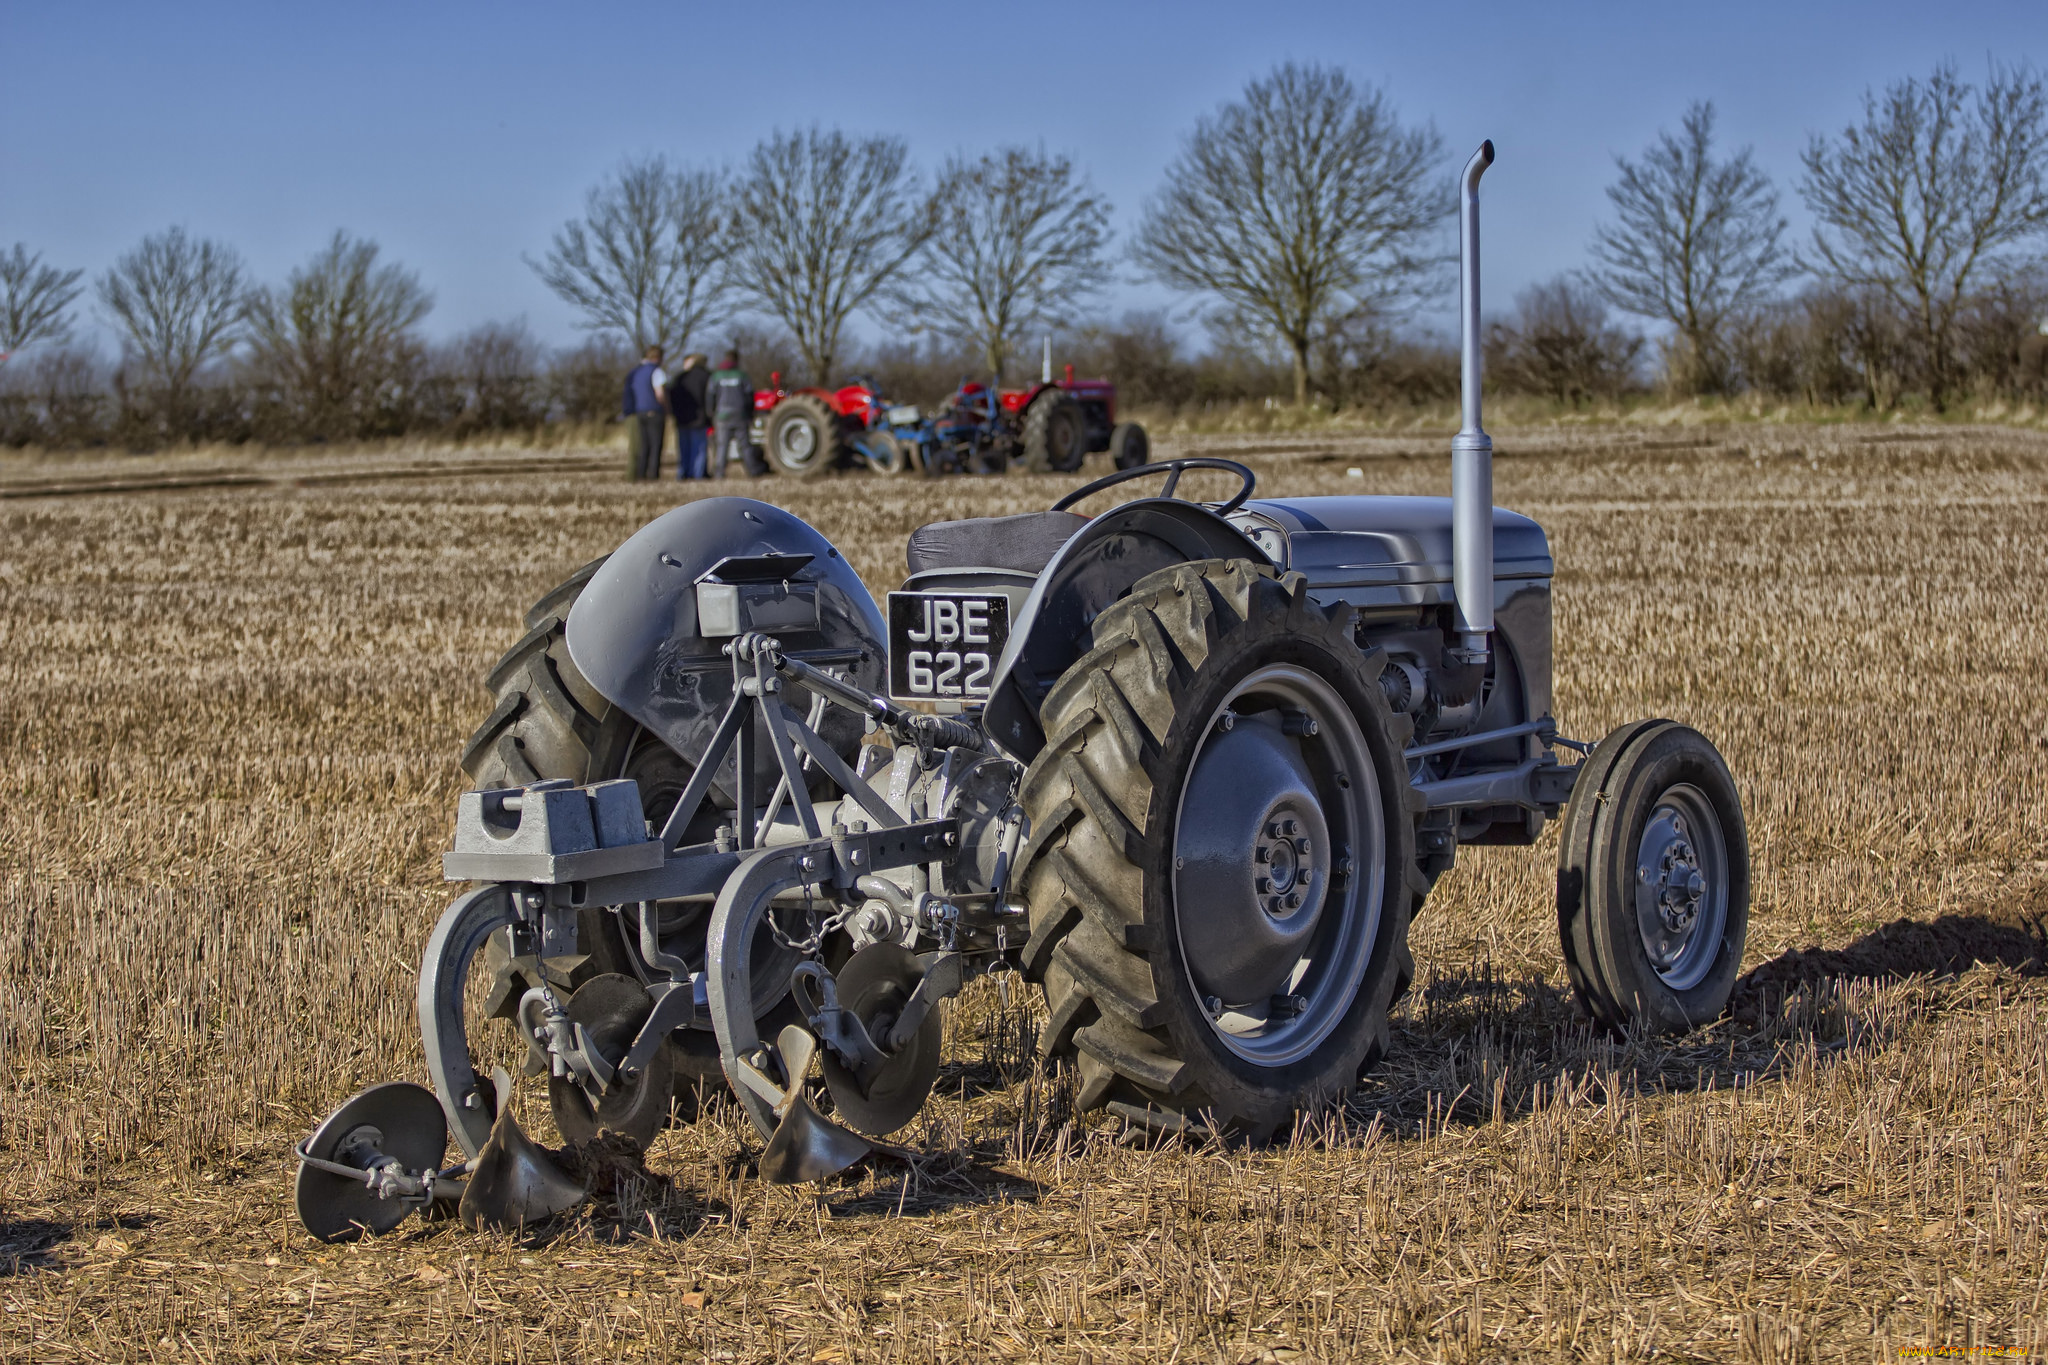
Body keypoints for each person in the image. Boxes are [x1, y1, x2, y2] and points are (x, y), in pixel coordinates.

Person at [620, 344, 668, 479]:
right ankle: (653, 475)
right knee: (655, 445)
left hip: (640, 412)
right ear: (659, 357)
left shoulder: (637, 372)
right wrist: (666, 408)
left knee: (644, 445)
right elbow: (660, 393)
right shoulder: (657, 371)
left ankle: (641, 474)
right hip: (654, 410)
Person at [705, 349, 752, 479]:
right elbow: (749, 396)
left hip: (721, 416)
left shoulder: (716, 376)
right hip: (740, 415)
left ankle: (719, 473)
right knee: (745, 445)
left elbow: (710, 395)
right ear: (737, 360)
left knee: (722, 445)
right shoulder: (742, 376)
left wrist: (711, 412)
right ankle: (752, 471)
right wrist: (749, 414)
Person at [669, 352, 711, 480]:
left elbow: (672, 397)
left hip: (682, 419)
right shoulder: (707, 376)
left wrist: (675, 414)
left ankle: (683, 473)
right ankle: (697, 475)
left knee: (683, 449)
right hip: (700, 418)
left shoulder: (680, 377)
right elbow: (709, 399)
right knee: (699, 449)